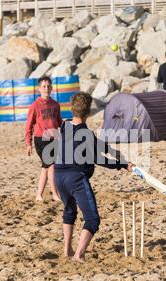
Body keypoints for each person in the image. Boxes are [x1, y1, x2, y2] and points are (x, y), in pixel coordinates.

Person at [54, 92, 134, 263]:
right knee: (92, 219)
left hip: (58, 176)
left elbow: (96, 144)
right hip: (75, 178)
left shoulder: (64, 126)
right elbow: (99, 159)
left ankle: (67, 249)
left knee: (69, 210)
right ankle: (78, 254)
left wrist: (113, 152)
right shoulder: (86, 134)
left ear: (71, 109)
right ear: (89, 113)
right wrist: (123, 165)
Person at [25, 76, 62, 202]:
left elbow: (59, 122)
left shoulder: (55, 105)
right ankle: (55, 194)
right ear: (39, 88)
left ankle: (39, 195)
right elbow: (29, 125)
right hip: (41, 139)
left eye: (48, 86)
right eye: (44, 86)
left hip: (54, 138)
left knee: (45, 167)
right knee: (51, 165)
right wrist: (28, 143)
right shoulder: (35, 106)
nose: (46, 89)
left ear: (51, 88)